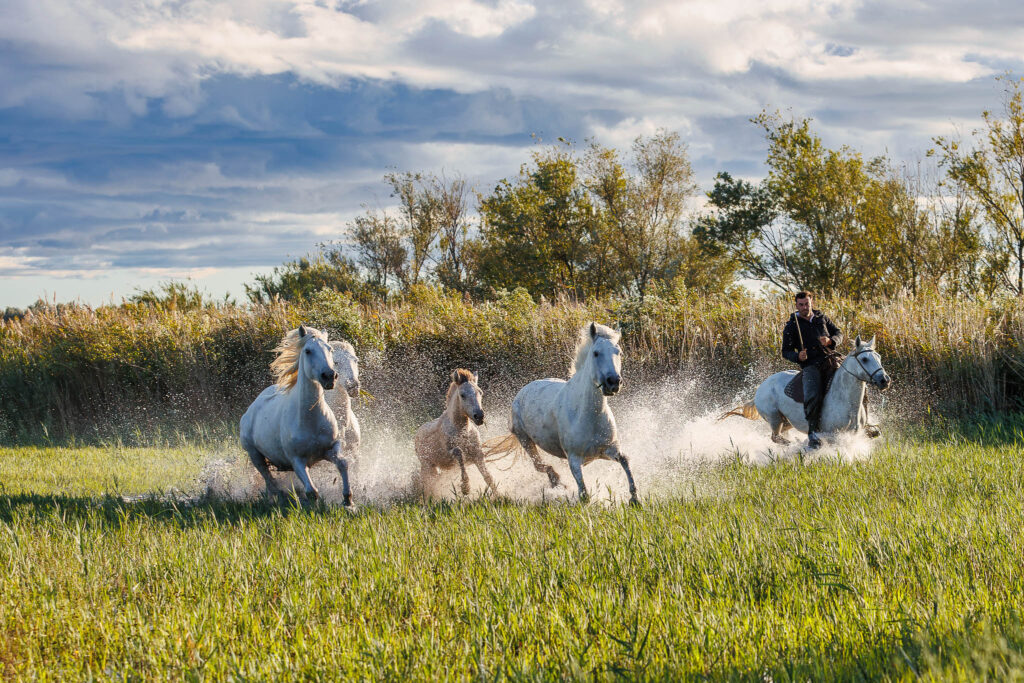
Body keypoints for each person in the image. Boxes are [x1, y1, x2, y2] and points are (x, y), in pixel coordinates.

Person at [781, 291, 843, 449]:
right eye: (801, 304)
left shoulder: (822, 318)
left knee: (856, 377)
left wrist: (831, 340)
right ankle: (813, 434)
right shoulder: (791, 326)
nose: (804, 307)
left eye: (806, 303)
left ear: (811, 302)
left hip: (831, 359)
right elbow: (785, 351)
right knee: (812, 395)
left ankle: (867, 423)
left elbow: (838, 333)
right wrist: (798, 357)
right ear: (796, 305)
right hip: (811, 365)